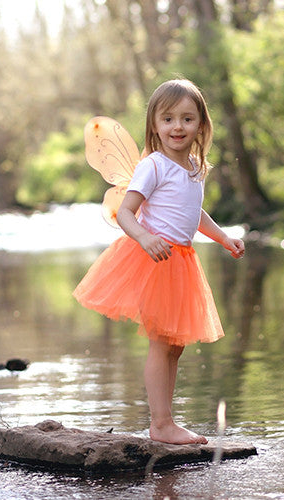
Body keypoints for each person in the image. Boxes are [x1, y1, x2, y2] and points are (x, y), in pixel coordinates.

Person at [73, 79, 245, 445]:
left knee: (175, 345)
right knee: (160, 343)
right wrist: (145, 237)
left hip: (181, 262)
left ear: (201, 125)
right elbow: (126, 213)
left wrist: (224, 237)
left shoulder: (195, 167)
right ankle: (161, 423)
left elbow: (193, 212)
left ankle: (166, 421)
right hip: (153, 257)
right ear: (154, 124)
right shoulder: (153, 165)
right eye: (168, 119)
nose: (177, 127)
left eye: (187, 119)